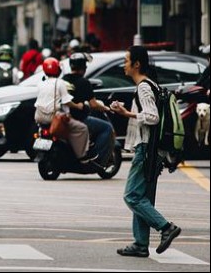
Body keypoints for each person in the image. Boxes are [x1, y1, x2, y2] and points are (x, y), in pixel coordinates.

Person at [109, 46, 181, 258]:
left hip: (146, 149)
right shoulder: (150, 85)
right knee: (143, 198)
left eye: (126, 60)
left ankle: (166, 227)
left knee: (131, 196)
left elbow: (152, 117)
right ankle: (141, 244)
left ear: (136, 64)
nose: (124, 64)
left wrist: (127, 113)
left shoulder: (143, 87)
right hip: (154, 150)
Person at [34, 57, 91, 161]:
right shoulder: (60, 83)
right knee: (82, 128)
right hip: (53, 118)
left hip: (39, 118)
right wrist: (78, 106)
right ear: (58, 70)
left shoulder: (40, 84)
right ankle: (82, 156)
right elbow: (66, 101)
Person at [62, 52, 115, 164]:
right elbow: (94, 104)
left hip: (64, 116)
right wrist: (106, 108)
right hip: (80, 118)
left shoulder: (63, 79)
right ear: (83, 67)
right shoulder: (84, 82)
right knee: (107, 128)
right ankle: (97, 158)